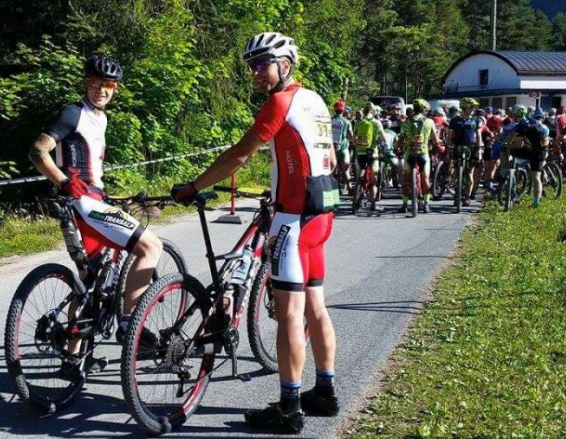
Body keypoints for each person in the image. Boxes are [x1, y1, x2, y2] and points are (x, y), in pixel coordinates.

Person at [171, 32, 339, 435]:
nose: (255, 73)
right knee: (315, 305)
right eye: (251, 66)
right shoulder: (314, 101)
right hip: (321, 216)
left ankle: (288, 408)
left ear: (285, 63)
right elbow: (328, 155)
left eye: (262, 64)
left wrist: (193, 186)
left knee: (290, 316)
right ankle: (325, 393)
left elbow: (240, 154)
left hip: (293, 222)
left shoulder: (279, 103)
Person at [28, 55, 163, 378]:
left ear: (115, 89)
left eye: (109, 85)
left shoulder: (100, 118)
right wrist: (62, 180)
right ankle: (132, 326)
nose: (102, 89)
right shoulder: (73, 113)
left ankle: (73, 361)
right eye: (96, 83)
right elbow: (37, 151)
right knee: (150, 247)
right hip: (83, 203)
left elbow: (92, 168)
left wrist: (109, 196)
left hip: (91, 201)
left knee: (89, 282)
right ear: (86, 83)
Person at [397, 99, 440, 213]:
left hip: (409, 153)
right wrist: (438, 145)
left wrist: (397, 146)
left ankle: (405, 204)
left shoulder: (406, 122)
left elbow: (400, 140)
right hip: (423, 153)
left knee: (406, 179)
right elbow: (435, 141)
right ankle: (426, 204)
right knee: (425, 179)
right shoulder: (430, 122)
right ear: (424, 110)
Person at [448, 97, 484, 206]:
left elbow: (478, 136)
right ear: (464, 108)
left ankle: (467, 196)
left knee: (469, 173)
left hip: (471, 148)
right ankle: (456, 194)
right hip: (457, 147)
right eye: (471, 107)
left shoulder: (476, 120)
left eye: (474, 107)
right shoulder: (455, 120)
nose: (473, 109)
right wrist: (448, 147)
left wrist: (480, 150)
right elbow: (450, 136)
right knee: (455, 172)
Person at [513, 107, 550, 207]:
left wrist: (508, 147)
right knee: (536, 177)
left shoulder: (521, 125)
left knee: (513, 155)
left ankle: (511, 177)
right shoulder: (535, 122)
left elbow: (518, 144)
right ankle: (536, 201)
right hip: (542, 151)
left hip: (533, 151)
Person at [353, 103, 385, 211]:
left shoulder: (358, 123)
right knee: (374, 180)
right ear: (374, 112)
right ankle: (373, 204)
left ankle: (359, 191)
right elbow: (384, 138)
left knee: (359, 175)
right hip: (372, 152)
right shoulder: (377, 123)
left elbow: (354, 138)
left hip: (360, 152)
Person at [332, 100, 354, 194]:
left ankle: (332, 188)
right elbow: (351, 136)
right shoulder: (347, 122)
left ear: (334, 109)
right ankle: (350, 188)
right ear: (343, 110)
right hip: (344, 148)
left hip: (332, 149)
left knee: (332, 170)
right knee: (346, 170)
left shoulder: (329, 120)